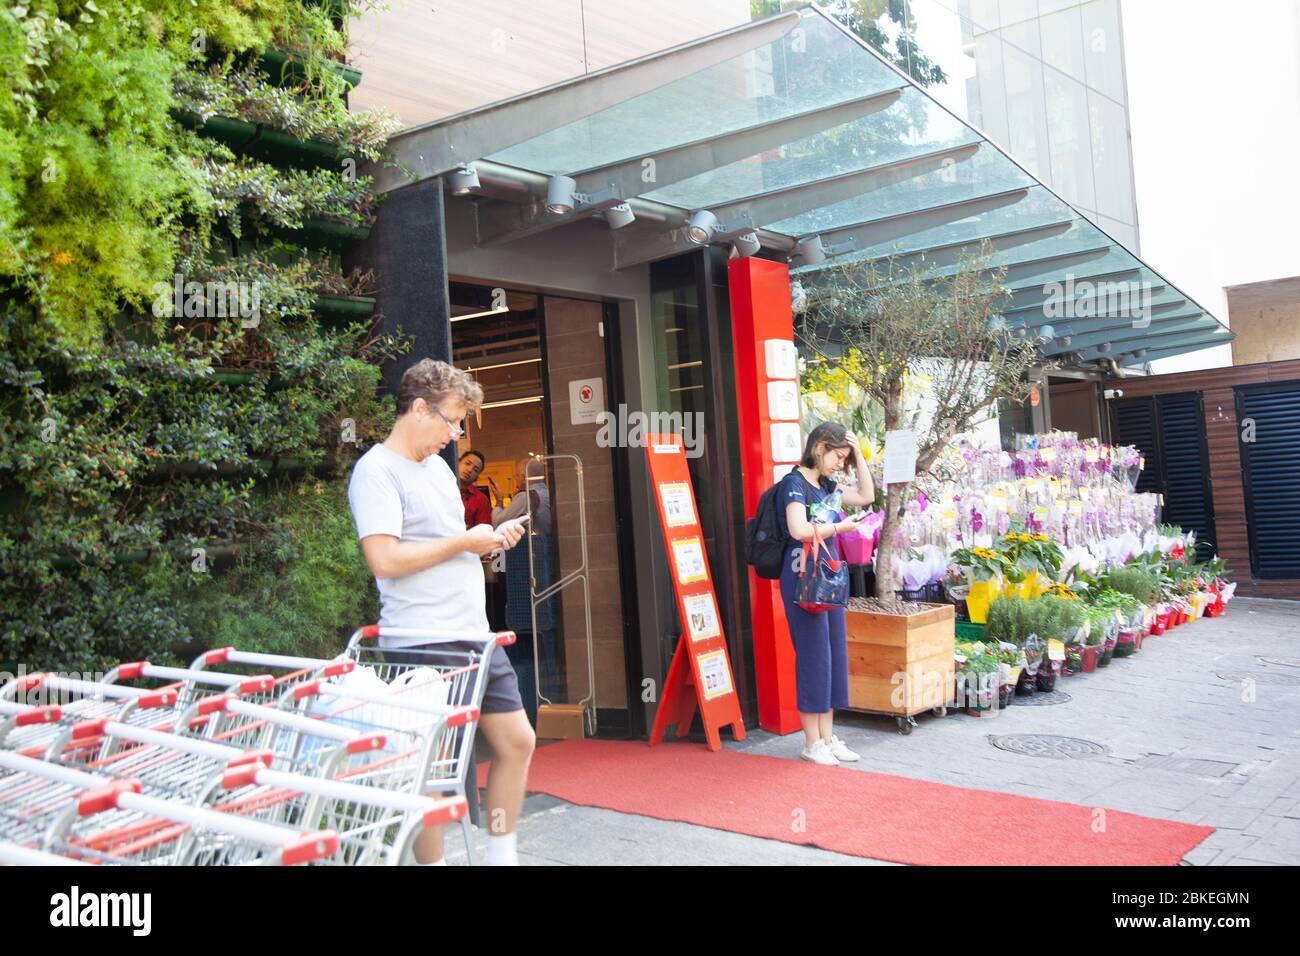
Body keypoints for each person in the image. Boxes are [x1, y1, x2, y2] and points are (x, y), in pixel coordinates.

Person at [347, 358, 534, 866]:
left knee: (517, 741)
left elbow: (453, 546)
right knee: (430, 769)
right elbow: (384, 560)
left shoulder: (436, 469)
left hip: (474, 636)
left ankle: (500, 855)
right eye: (450, 421)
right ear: (418, 408)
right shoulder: (376, 471)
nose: (454, 435)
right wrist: (463, 542)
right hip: (422, 642)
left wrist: (491, 539)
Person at [777, 422, 876, 767]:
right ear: (819, 447)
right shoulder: (794, 484)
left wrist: (859, 453)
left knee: (833, 653)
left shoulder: (827, 485)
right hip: (803, 577)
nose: (839, 463)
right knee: (813, 655)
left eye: (844, 457)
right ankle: (811, 742)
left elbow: (866, 496)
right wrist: (840, 527)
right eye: (838, 455)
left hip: (828, 578)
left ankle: (828, 738)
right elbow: (798, 530)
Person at [489, 457, 552, 536]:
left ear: (523, 477)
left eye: (516, 477)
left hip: (535, 546)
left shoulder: (525, 497)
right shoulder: (549, 494)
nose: (516, 481)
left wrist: (499, 499)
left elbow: (498, 524)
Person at [458, 450, 493, 530]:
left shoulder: (481, 499)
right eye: (467, 463)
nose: (470, 470)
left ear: (477, 476)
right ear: (458, 462)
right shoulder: (441, 487)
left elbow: (483, 532)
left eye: (475, 470)